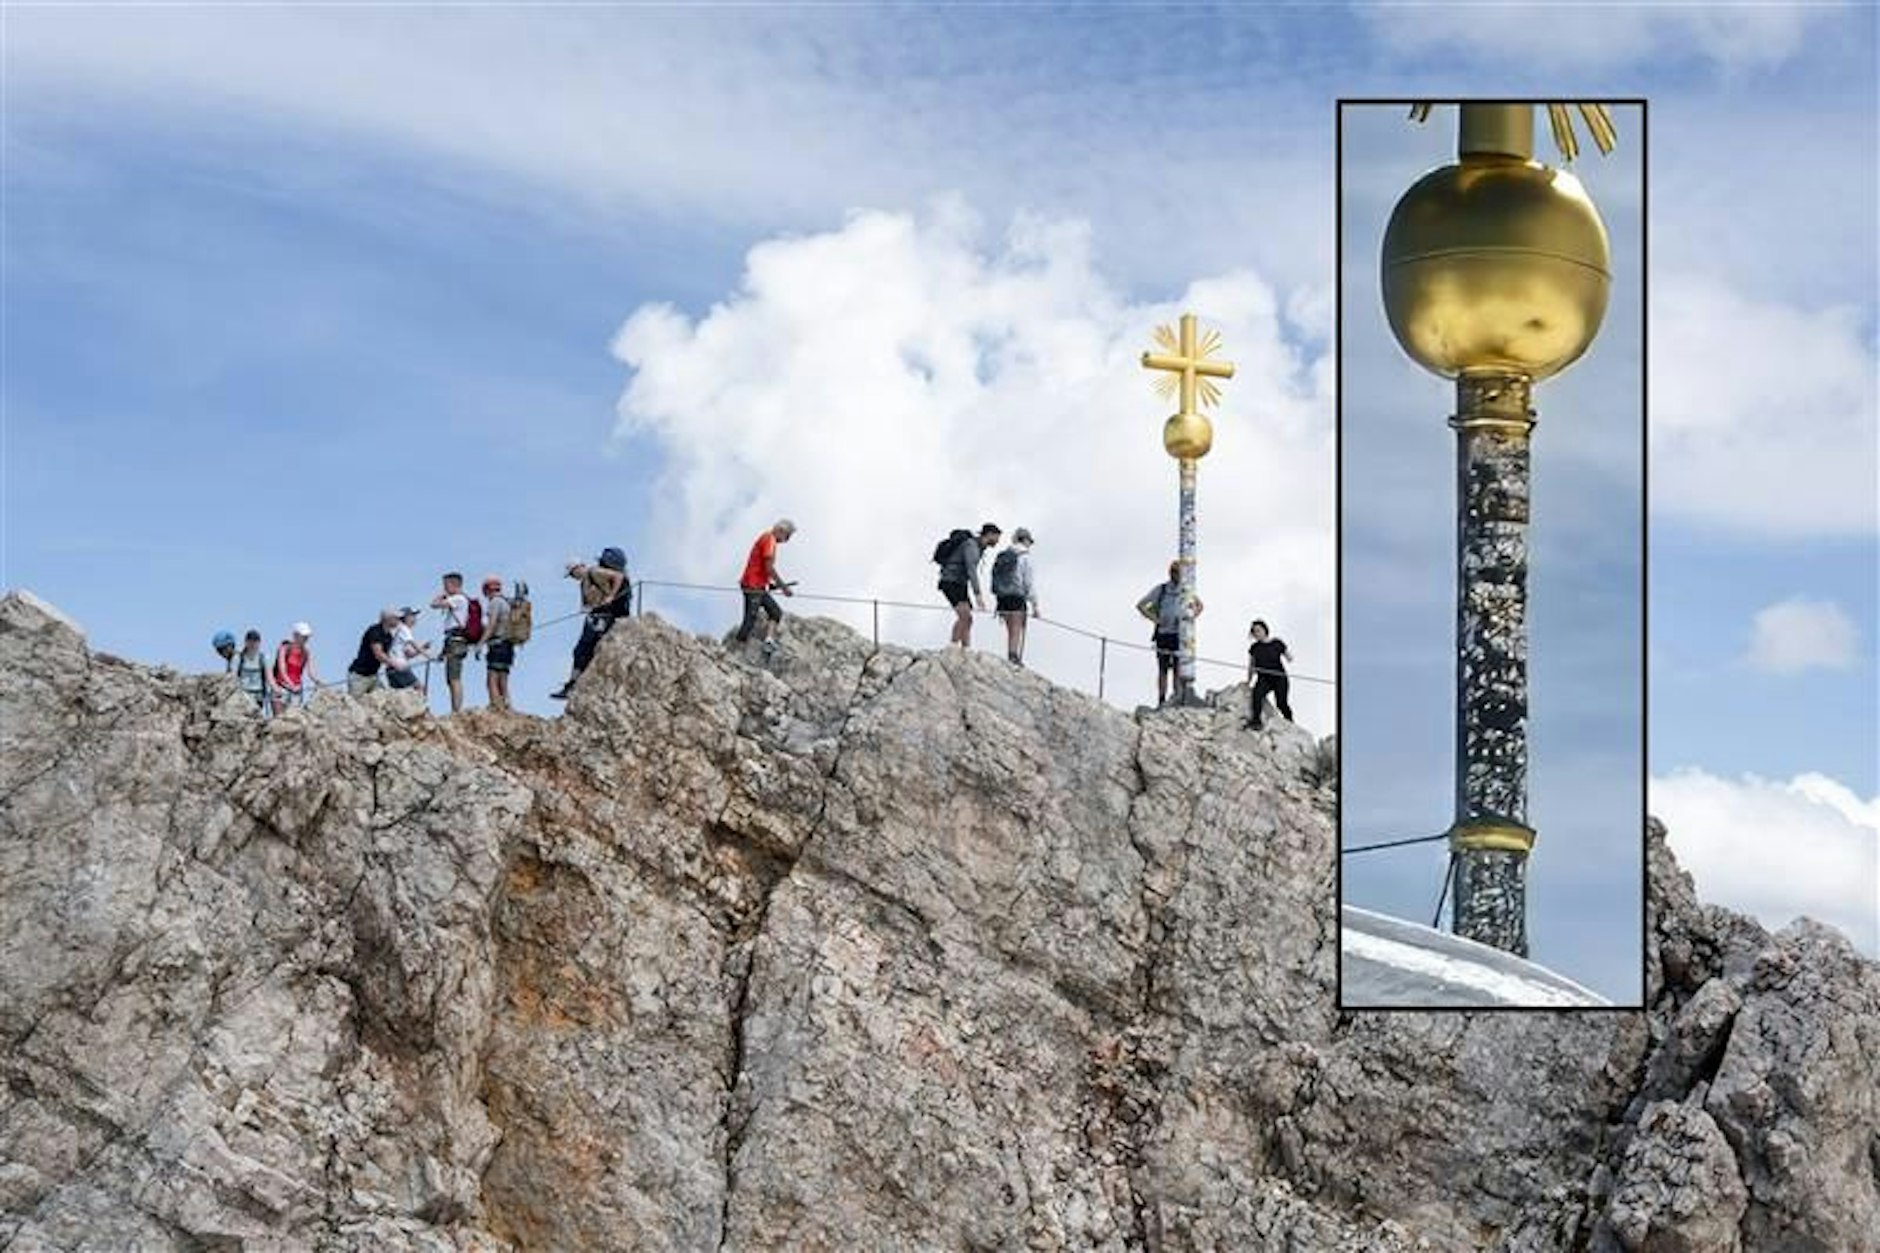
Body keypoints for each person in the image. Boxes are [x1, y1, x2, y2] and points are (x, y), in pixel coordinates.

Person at [551, 550, 629, 700]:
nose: (573, 577)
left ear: (578, 568)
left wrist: (611, 595)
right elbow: (586, 603)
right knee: (580, 650)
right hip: (595, 616)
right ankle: (575, 683)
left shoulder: (594, 572)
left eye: (573, 573)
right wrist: (585, 608)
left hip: (603, 616)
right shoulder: (584, 582)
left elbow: (618, 576)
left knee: (585, 649)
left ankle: (575, 684)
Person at [1137, 562, 1203, 707]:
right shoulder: (1161, 589)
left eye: (1178, 572)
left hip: (1179, 635)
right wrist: (1155, 619)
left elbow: (1200, 605)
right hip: (1163, 634)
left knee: (1178, 668)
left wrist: (1190, 618)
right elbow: (1141, 605)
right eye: (1174, 572)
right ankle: (1161, 699)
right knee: (1163, 668)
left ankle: (1176, 697)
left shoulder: (1186, 590)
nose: (1176, 575)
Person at [736, 519, 796, 658]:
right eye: (787, 537)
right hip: (752, 585)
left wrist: (770, 585)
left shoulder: (769, 540)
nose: (785, 541)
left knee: (775, 612)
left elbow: (762, 567)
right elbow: (769, 568)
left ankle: (768, 641)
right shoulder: (769, 539)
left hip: (759, 585)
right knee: (750, 618)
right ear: (781, 531)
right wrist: (783, 587)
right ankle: (738, 648)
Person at [938, 522, 1001, 647]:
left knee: (968, 618)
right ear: (989, 534)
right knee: (964, 616)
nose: (998, 541)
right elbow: (971, 570)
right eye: (996, 537)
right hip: (951, 581)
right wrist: (978, 594)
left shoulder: (979, 547)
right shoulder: (972, 545)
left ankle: (966, 648)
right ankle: (953, 646)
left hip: (959, 582)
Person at [990, 527, 1040, 666]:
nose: (1030, 544)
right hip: (1017, 595)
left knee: (1009, 627)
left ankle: (1011, 654)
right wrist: (1035, 605)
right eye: (1029, 541)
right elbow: (1028, 583)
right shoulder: (1025, 557)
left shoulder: (1005, 554)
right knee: (1017, 627)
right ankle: (1013, 656)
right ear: (1024, 540)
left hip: (1001, 596)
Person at [431, 571, 477, 713]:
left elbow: (434, 604)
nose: (444, 588)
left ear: (454, 584)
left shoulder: (458, 599)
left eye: (446, 585)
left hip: (456, 641)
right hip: (454, 641)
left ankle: (456, 710)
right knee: (451, 678)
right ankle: (455, 708)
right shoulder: (460, 599)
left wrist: (443, 596)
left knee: (454, 677)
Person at [1246, 619, 1295, 730]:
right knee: (1257, 695)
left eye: (1258, 630)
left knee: (1281, 703)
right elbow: (1251, 666)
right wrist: (1248, 680)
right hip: (1264, 678)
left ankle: (1290, 721)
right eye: (1254, 632)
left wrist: (1289, 656)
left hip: (1279, 678)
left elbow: (1289, 656)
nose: (1257, 633)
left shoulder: (1277, 643)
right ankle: (1256, 721)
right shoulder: (1254, 648)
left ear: (1265, 630)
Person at [479, 577, 515, 712]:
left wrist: (480, 643)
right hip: (508, 644)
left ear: (486, 590)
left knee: (491, 680)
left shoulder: (495, 602)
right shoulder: (507, 602)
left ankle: (496, 708)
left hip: (497, 645)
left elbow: (492, 625)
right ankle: (508, 707)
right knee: (503, 681)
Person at [347, 609, 400, 697]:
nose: (399, 620)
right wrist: (394, 663)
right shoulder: (374, 631)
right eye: (396, 618)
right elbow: (378, 654)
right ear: (388, 619)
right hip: (359, 676)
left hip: (373, 676)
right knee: (354, 704)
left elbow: (386, 655)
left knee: (384, 700)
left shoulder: (389, 636)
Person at [272, 622, 317, 709]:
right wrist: (291, 685)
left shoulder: (306, 652)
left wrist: (317, 681)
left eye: (307, 636)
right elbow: (282, 670)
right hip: (281, 688)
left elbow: (311, 672)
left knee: (294, 720)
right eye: (303, 636)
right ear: (295, 635)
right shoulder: (285, 648)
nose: (306, 639)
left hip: (296, 691)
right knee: (279, 720)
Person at [232, 629, 275, 713]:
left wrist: (277, 689)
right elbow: (233, 677)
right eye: (250, 641)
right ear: (246, 642)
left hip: (258, 696)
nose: (253, 644)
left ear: (259, 643)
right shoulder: (238, 658)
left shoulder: (264, 658)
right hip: (242, 696)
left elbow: (270, 678)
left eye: (255, 641)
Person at [387, 607, 429, 691]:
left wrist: (423, 648)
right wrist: (428, 656)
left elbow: (409, 654)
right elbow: (413, 644)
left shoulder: (400, 631)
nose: (414, 619)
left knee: (399, 693)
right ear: (406, 618)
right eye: (412, 616)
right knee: (419, 687)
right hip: (399, 666)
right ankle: (420, 704)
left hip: (392, 667)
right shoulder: (404, 629)